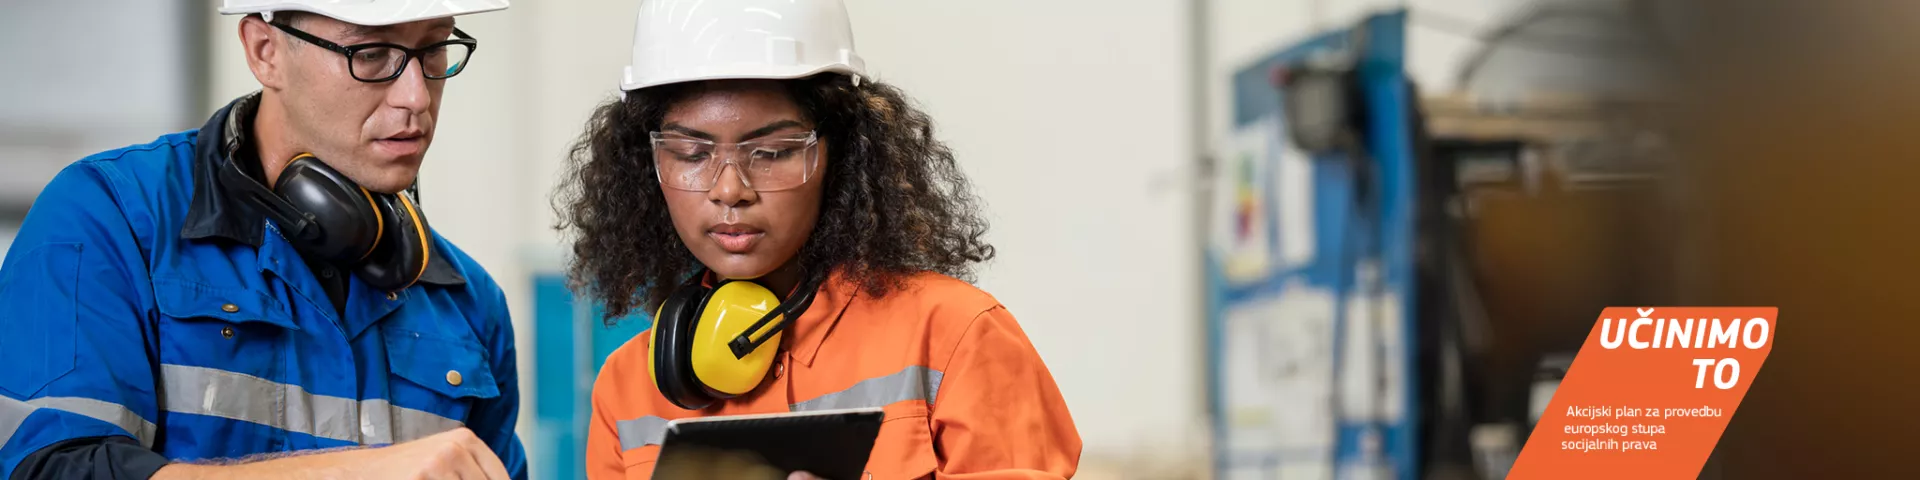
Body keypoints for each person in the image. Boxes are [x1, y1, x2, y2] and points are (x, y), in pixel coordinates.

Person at [556, 0, 1082, 478]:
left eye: (774, 151)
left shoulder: (955, 336)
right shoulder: (626, 387)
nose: (729, 190)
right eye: (691, 154)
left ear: (841, 156)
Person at [0, 1, 526, 479]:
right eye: (371, 53)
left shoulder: (468, 304)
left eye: (433, 49)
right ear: (264, 50)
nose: (416, 97)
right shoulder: (111, 219)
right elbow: (49, 471)